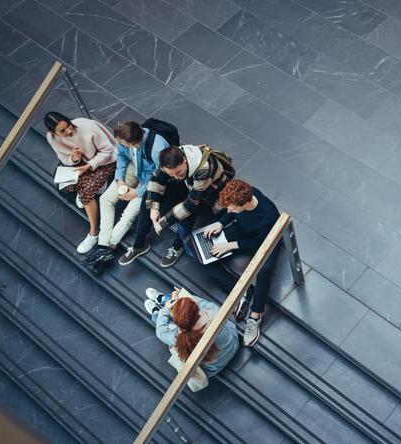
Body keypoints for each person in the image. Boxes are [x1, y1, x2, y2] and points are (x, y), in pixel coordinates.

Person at [119, 144, 234, 267]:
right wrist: (153, 207)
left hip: (212, 193)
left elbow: (191, 204)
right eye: (172, 174)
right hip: (189, 184)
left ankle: (177, 246)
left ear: (184, 160)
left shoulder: (204, 169)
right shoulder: (170, 159)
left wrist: (163, 222)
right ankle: (139, 244)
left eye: (178, 172)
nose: (176, 176)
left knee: (187, 215)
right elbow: (157, 179)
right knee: (149, 195)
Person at [204, 179, 280, 347]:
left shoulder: (269, 216)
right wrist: (220, 223)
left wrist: (230, 245)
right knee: (206, 256)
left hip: (266, 240)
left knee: (264, 270)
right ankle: (240, 291)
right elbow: (231, 212)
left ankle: (255, 315)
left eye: (232, 207)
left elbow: (260, 242)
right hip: (244, 231)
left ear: (245, 204)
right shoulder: (246, 194)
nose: (228, 210)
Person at [82, 122, 169, 268]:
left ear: (135, 144)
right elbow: (122, 157)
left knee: (128, 214)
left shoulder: (158, 148)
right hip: (133, 168)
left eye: (123, 144)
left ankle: (108, 247)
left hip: (149, 180)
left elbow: (161, 177)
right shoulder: (124, 137)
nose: (120, 145)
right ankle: (103, 246)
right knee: (105, 199)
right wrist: (120, 180)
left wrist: (137, 192)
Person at [44, 112, 117, 254]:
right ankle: (93, 187)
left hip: (105, 161)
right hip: (82, 163)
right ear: (53, 133)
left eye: (69, 126)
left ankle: (94, 232)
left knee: (85, 194)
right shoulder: (51, 138)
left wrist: (89, 166)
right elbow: (64, 158)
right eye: (63, 131)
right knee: (65, 185)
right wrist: (74, 159)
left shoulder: (87, 127)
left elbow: (108, 150)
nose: (69, 131)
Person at [144, 286, 239, 387]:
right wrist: (183, 296)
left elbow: (161, 333)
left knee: (167, 322)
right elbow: (199, 304)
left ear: (181, 325)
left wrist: (166, 309)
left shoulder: (181, 338)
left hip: (212, 368)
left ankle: (157, 312)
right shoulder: (213, 312)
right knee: (182, 305)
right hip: (233, 344)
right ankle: (163, 299)